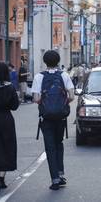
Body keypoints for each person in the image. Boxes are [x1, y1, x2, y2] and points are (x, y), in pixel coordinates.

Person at [31, 50, 74, 190]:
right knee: (59, 144)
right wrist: (60, 104)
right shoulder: (64, 75)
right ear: (58, 60)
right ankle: (61, 174)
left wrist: (46, 105)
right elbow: (72, 96)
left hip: (46, 118)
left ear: (45, 61)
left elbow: (36, 98)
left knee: (50, 148)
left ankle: (55, 179)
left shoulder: (39, 77)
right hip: (60, 117)